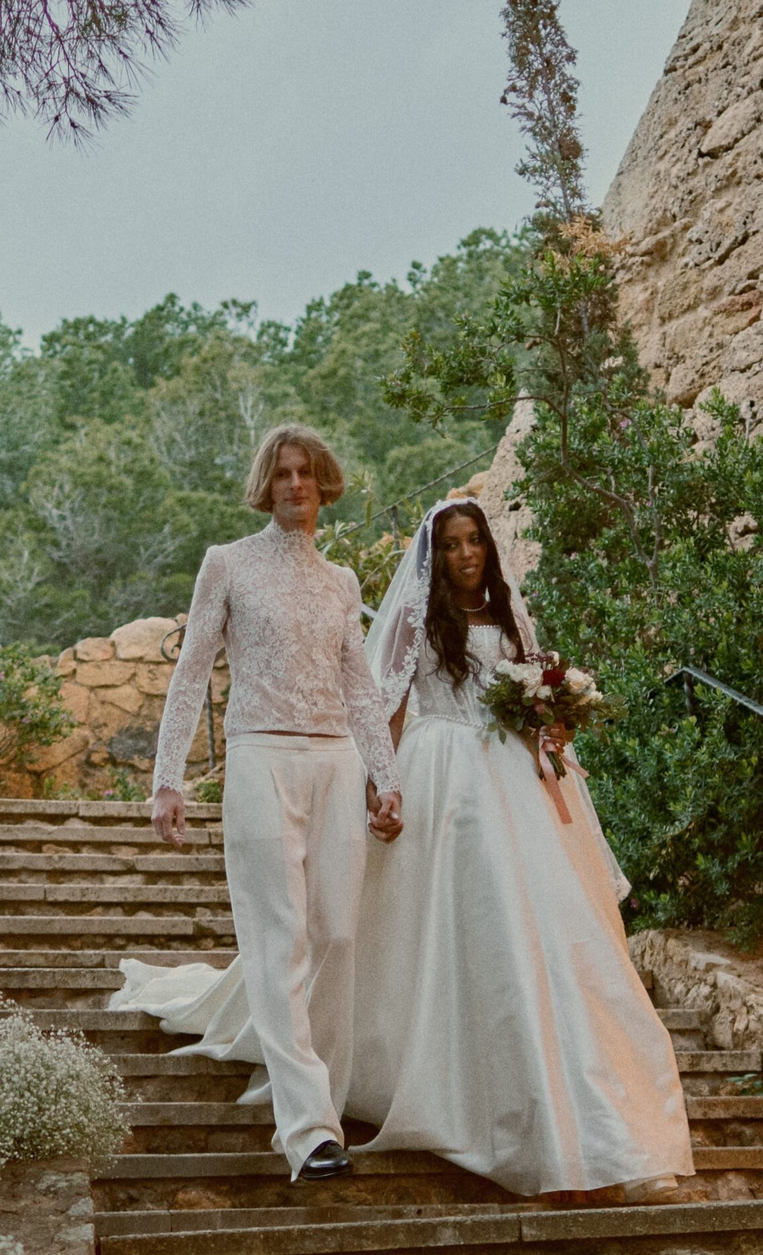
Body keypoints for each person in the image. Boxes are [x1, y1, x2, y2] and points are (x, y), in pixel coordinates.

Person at [343, 499, 694, 1200]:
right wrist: (380, 785)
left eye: (475, 541)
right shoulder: (418, 618)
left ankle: (588, 1116)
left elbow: (531, 690)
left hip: (516, 780)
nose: (466, 554)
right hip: (446, 775)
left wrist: (553, 723)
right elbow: (386, 704)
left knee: (557, 934)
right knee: (474, 927)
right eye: (450, 545)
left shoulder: (510, 617)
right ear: (433, 556)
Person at [119, 423, 403, 1182]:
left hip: (335, 762)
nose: (296, 485)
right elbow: (191, 673)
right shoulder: (229, 564)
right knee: (280, 940)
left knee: (338, 935)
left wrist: (388, 776)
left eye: (307, 472)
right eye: (282, 473)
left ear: (326, 482)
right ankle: (309, 1130)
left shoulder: (342, 581)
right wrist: (167, 777)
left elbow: (361, 689)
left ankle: (324, 1098)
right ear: (265, 485)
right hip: (259, 757)